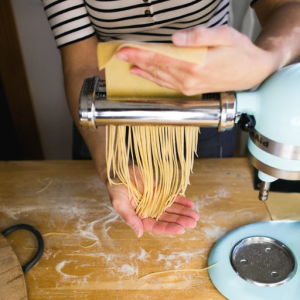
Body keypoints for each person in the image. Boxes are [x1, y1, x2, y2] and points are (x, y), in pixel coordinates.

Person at [42, 0, 300, 237]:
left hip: (207, 110)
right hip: (109, 118)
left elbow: (287, 5)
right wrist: (112, 165)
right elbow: (82, 65)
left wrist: (267, 58)